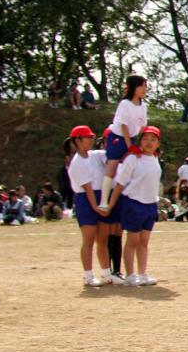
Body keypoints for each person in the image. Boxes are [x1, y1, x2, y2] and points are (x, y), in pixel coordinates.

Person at [105, 125, 164, 286]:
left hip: (150, 204)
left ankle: (142, 273)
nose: (149, 143)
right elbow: (120, 182)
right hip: (133, 202)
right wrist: (110, 204)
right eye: (145, 139)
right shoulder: (133, 158)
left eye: (153, 140)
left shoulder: (155, 158)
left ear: (158, 143)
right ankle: (131, 274)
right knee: (133, 240)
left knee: (144, 241)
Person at [67, 126, 114, 287]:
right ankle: (88, 275)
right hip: (86, 199)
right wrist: (96, 206)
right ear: (77, 140)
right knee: (89, 238)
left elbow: (111, 157)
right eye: (88, 138)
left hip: (101, 195)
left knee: (103, 237)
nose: (91, 140)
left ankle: (107, 273)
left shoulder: (95, 155)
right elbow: (87, 188)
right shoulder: (76, 163)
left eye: (92, 137)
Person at [99, 74, 149, 214]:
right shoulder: (125, 104)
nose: (145, 89)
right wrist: (129, 147)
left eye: (145, 86)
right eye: (142, 86)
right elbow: (123, 126)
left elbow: (143, 126)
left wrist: (144, 144)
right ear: (134, 87)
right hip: (118, 138)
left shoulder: (143, 106)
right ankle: (104, 201)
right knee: (113, 167)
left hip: (132, 138)